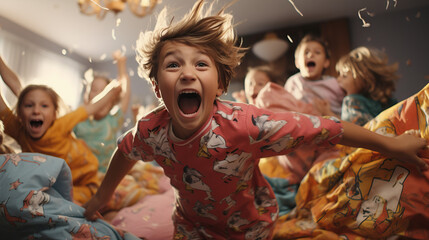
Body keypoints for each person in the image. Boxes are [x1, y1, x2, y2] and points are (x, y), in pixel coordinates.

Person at [84, 0, 428, 238]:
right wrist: (101, 198)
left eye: (200, 64)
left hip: (250, 226)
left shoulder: (248, 125)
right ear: (158, 88)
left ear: (220, 85)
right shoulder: (150, 130)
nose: (187, 73)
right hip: (191, 225)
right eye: (173, 64)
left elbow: (330, 129)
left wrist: (392, 144)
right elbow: (124, 151)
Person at [0, 55, 122, 205]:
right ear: (19, 112)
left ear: (54, 114)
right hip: (55, 184)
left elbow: (91, 108)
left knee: (69, 204)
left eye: (44, 106)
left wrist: (112, 91)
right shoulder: (19, 130)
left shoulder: (61, 124)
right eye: (29, 106)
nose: (36, 110)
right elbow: (11, 100)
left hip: (85, 180)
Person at [74, 50, 131, 172]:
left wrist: (121, 65)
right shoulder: (78, 121)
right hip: (83, 173)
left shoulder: (112, 120)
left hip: (107, 175)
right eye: (95, 90)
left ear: (112, 100)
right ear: (86, 97)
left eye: (105, 92)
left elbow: (125, 94)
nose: (101, 97)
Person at [314, 46, 398, 126]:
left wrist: (327, 113)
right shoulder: (388, 102)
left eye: (344, 76)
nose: (338, 79)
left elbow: (352, 131)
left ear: (364, 79)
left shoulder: (351, 101)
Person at [285, 33, 345, 116]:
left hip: (333, 122)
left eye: (317, 52)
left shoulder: (334, 83)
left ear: (326, 62)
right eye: (306, 52)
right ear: (297, 62)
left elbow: (345, 110)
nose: (311, 55)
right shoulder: (293, 82)